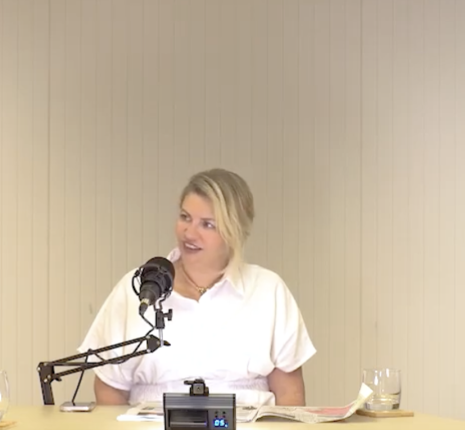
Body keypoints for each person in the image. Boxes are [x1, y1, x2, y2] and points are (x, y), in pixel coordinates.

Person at [80, 169, 315, 408]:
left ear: (234, 232)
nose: (189, 233)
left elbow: (290, 394)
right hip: (149, 428)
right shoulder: (138, 287)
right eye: (185, 217)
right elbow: (110, 387)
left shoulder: (268, 290)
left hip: (250, 428)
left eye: (207, 224)